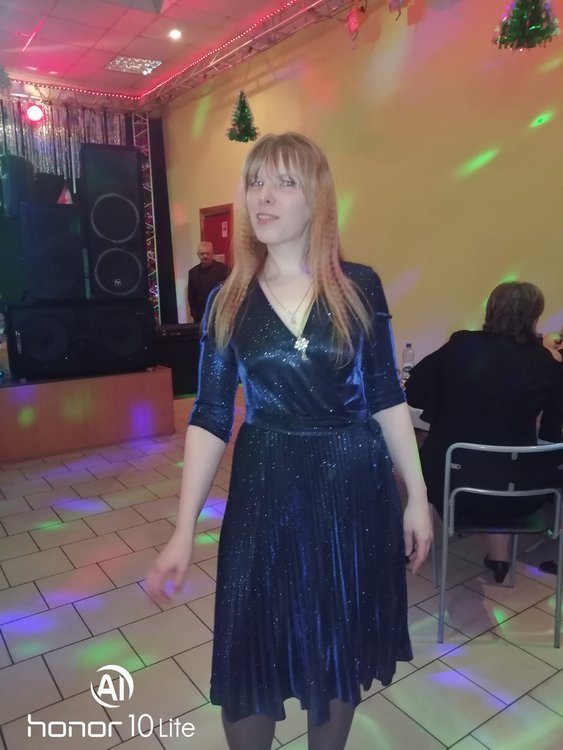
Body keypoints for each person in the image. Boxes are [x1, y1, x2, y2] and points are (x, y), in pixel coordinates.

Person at [147, 132, 432, 750]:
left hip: (352, 488)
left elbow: (386, 395)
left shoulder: (359, 285)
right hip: (266, 488)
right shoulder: (228, 299)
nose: (263, 197)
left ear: (316, 199)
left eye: (283, 183)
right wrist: (181, 530)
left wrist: (416, 494)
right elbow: (211, 415)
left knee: (338, 641)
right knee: (253, 646)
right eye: (255, 183)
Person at [406, 282, 563, 583]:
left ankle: (411, 538)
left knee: (409, 462)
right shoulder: (545, 361)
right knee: (502, 465)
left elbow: (414, 391)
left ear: (491, 309)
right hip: (522, 493)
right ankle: (500, 560)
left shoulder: (462, 344)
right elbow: (553, 433)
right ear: (535, 316)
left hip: (453, 486)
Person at [187, 240, 229, 323]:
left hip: (218, 314)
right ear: (198, 255)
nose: (205, 256)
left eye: (207, 253)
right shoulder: (192, 272)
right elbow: (191, 295)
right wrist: (194, 312)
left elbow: (228, 291)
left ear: (212, 254)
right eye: (202, 254)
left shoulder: (223, 269)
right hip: (200, 316)